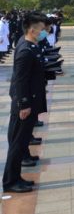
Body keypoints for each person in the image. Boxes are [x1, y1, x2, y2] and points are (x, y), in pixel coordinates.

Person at [3, 13, 46, 193]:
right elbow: (20, 80)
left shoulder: (28, 45)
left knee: (20, 142)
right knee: (18, 143)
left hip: (28, 101)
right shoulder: (25, 51)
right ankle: (11, 181)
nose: (44, 32)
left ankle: (16, 177)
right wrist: (24, 104)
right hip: (24, 105)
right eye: (41, 29)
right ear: (32, 29)